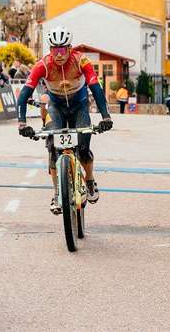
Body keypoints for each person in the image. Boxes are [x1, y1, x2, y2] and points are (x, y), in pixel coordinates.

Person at [16, 26, 113, 214]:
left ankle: (90, 180)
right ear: (50, 50)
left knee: (83, 148)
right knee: (53, 149)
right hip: (56, 107)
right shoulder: (43, 65)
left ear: (69, 48)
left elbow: (95, 87)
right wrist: (22, 122)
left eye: (62, 50)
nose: (58, 54)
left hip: (79, 106)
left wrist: (105, 116)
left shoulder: (80, 60)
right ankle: (56, 193)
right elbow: (25, 93)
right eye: (54, 50)